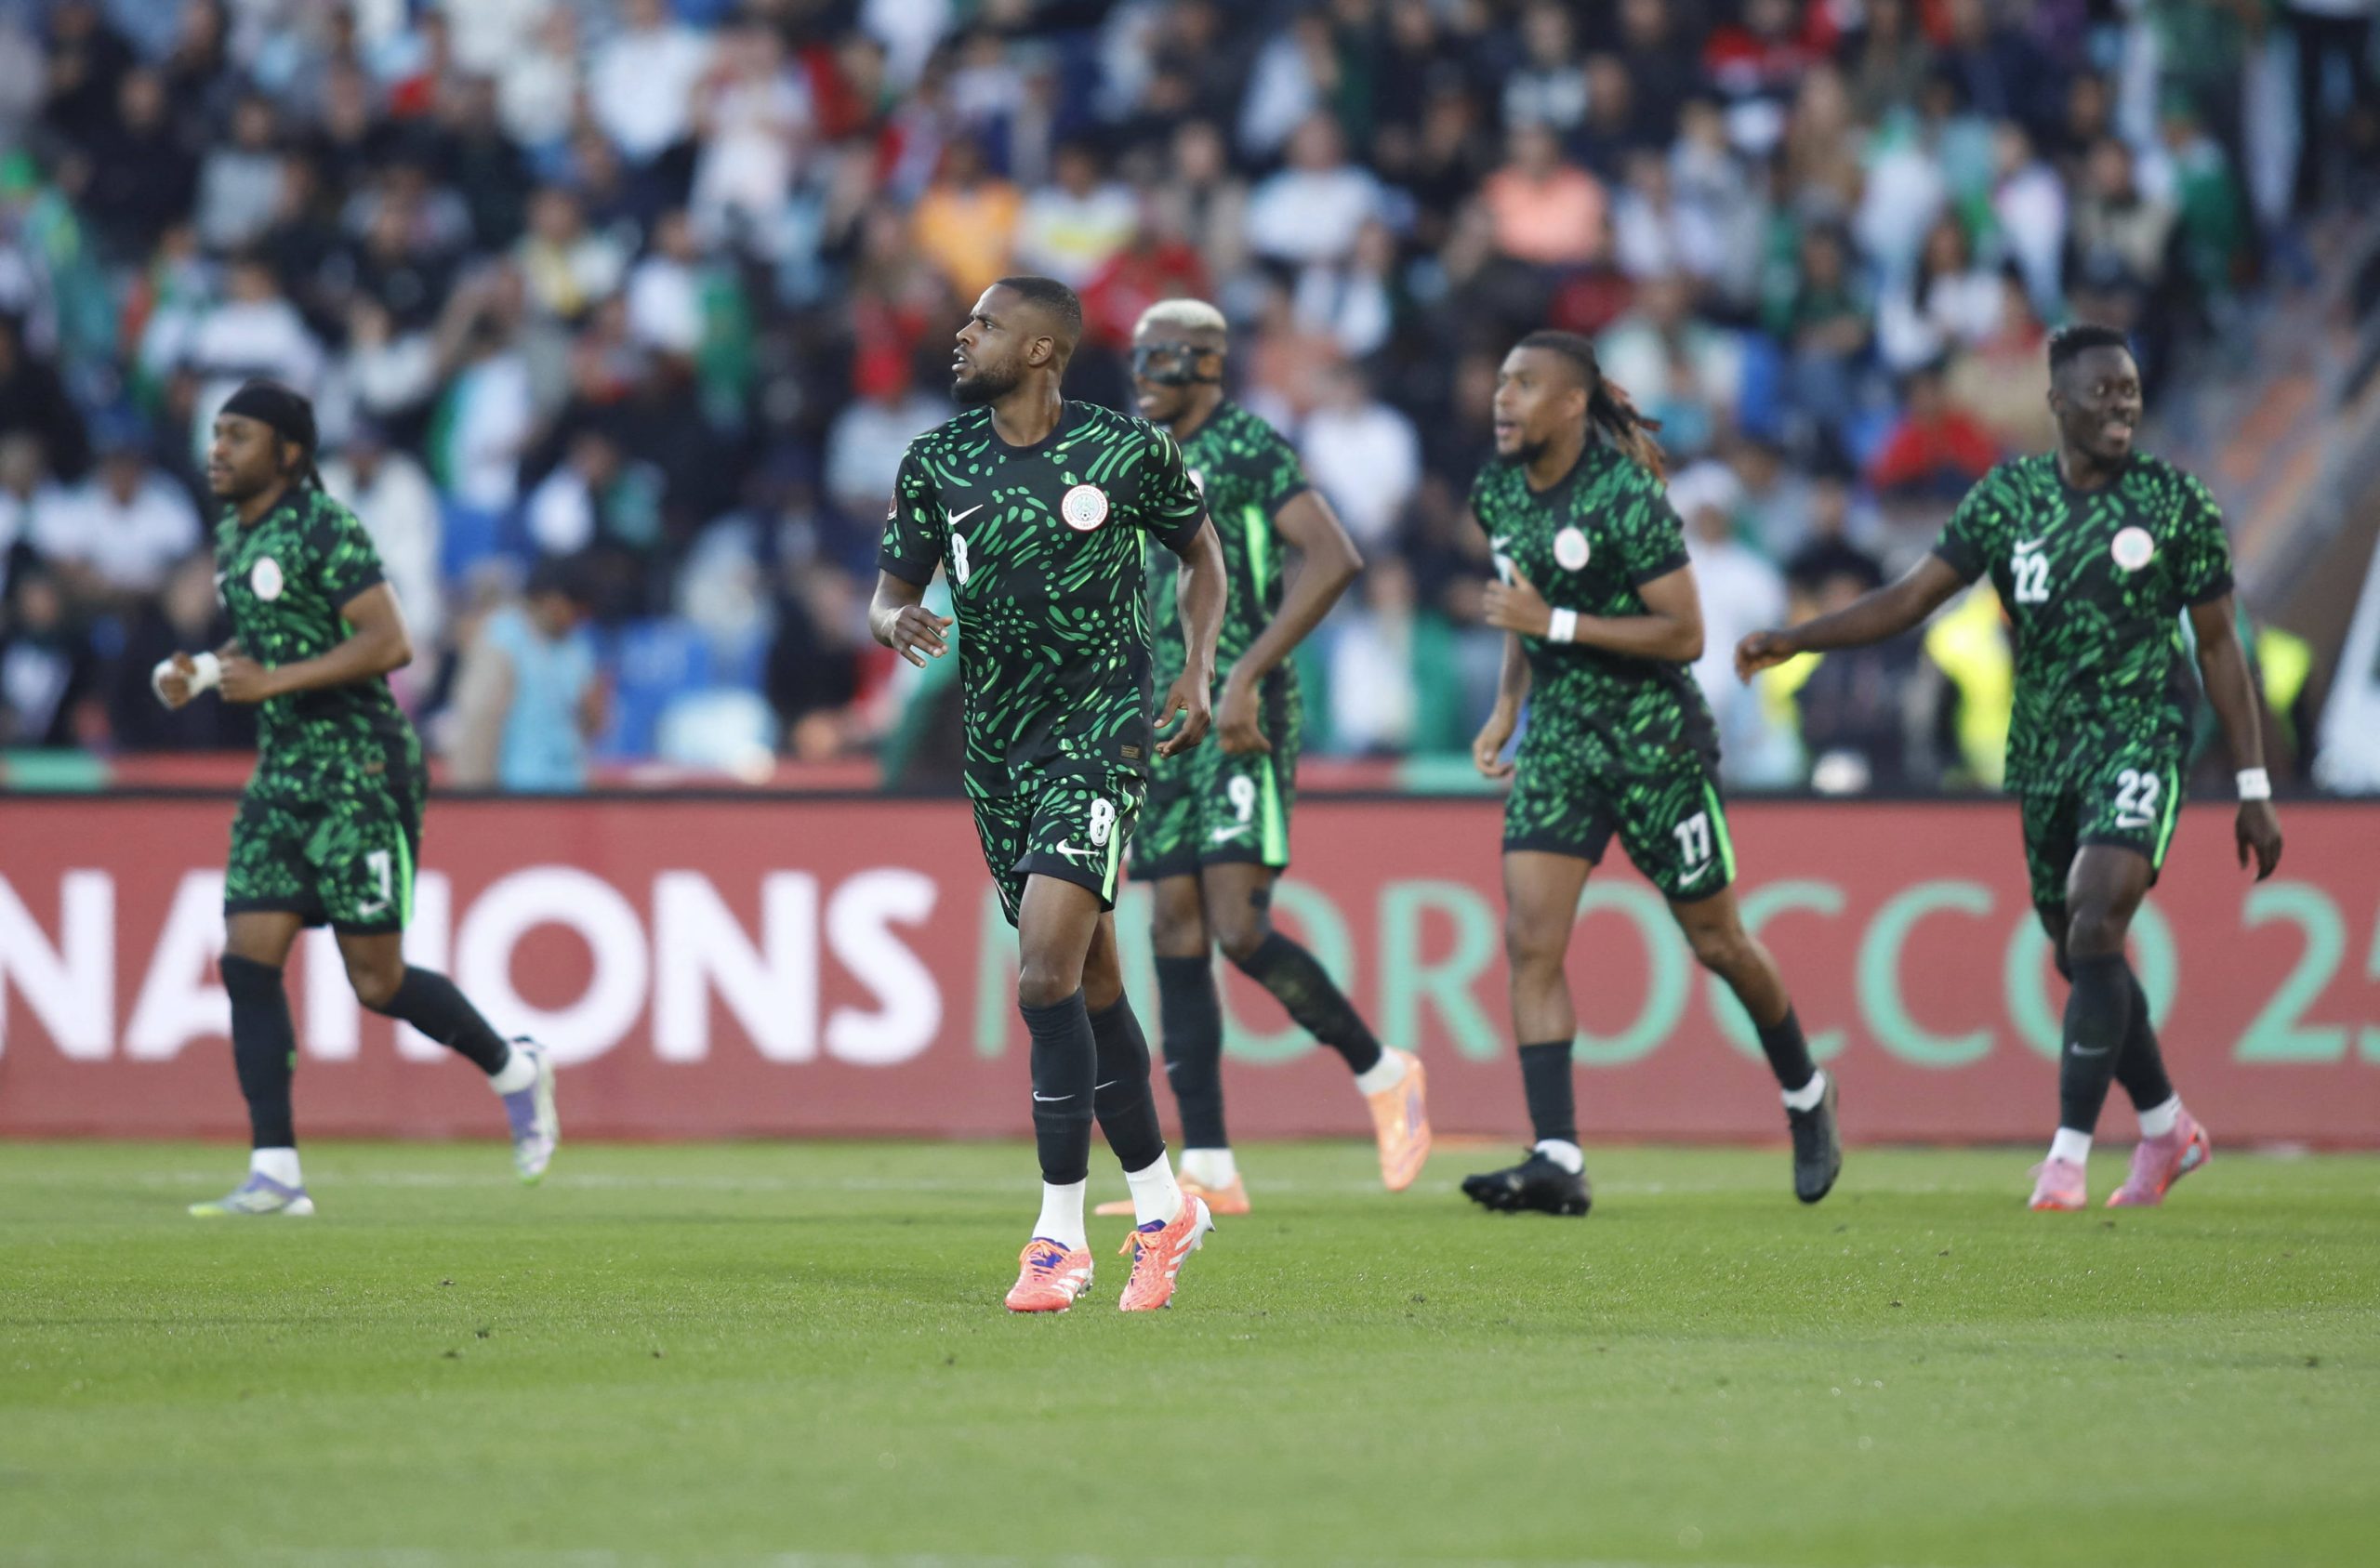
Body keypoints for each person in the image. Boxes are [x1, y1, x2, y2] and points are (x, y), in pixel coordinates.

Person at [1737, 325, 2284, 1209]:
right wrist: (1800, 640)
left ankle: (2066, 1157)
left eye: (2132, 391)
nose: (2123, 406)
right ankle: (2168, 1128)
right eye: (2103, 393)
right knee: (2082, 950)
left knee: (2097, 918)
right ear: (2057, 404)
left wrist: (2254, 788)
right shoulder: (2009, 499)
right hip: (2042, 756)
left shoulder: (2177, 502)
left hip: (2140, 736)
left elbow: (2219, 645)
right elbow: (1912, 598)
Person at [868, 279, 1231, 1313]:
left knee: (1038, 976)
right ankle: (1166, 1208)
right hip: (998, 749)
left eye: (981, 325)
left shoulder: (1123, 450)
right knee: (1091, 982)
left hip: (1101, 732)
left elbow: (1198, 552)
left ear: (1038, 350)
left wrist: (1196, 669)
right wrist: (894, 622)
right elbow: (890, 588)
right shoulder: (937, 460)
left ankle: (1057, 1236)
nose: (959, 335)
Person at [154, 381, 559, 1217]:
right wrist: (199, 670)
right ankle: (277, 1173)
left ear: (289, 453)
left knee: (376, 981)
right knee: (245, 961)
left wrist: (273, 682)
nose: (217, 448)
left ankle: (514, 1066)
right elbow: (265, 635)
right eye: (216, 434)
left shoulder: (326, 527)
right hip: (285, 772)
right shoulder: (235, 532)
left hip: (361, 771)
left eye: (238, 435)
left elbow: (392, 641)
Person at [1461, 332, 1842, 1217]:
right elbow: (1521, 608)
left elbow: (1684, 635)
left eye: (1524, 384)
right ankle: (1557, 1154)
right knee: (1530, 939)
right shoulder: (1497, 491)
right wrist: (1509, 704)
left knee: (1718, 942)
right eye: (1501, 380)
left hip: (1654, 743)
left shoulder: (1625, 498)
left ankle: (1806, 1092)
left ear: (1569, 405)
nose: (1502, 397)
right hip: (1560, 740)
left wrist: (1550, 625)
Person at [1093, 297, 1429, 1221]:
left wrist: (1243, 674)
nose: (1141, 375)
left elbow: (1333, 557)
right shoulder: (1135, 457)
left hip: (1242, 712)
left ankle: (1381, 1068)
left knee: (1237, 925)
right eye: (1136, 357)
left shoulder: (1248, 447)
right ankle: (1205, 1162)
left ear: (1205, 363)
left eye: (1159, 359)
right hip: (1162, 713)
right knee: (1171, 929)